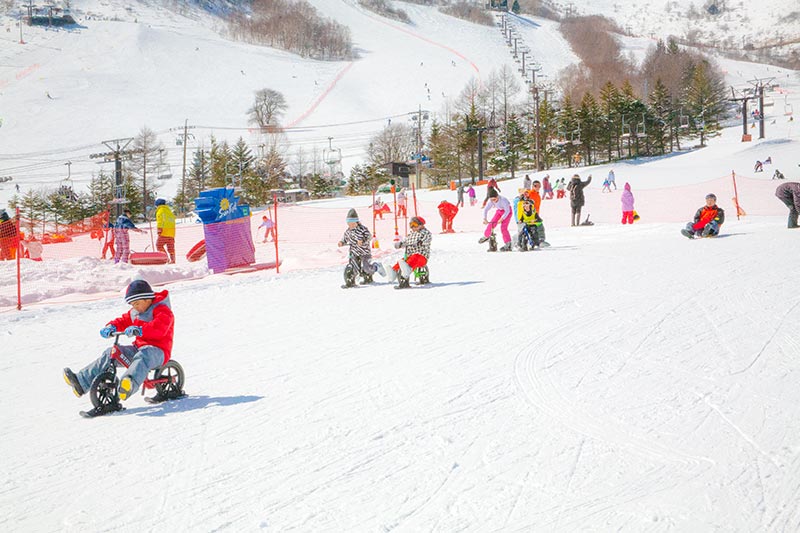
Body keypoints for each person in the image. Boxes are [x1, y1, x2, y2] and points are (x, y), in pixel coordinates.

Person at [62, 279, 174, 402]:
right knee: (111, 353)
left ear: (147, 299)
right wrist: (112, 326)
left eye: (137, 303)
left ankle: (128, 384)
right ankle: (81, 381)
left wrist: (140, 329)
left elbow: (159, 329)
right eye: (132, 305)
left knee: (143, 356)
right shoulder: (136, 312)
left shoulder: (163, 311)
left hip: (158, 351)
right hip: (138, 348)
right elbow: (123, 321)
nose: (134, 307)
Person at [338, 208, 385, 287]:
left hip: (364, 253)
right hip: (354, 253)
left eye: (353, 223)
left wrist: (362, 241)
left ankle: (376, 267)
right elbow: (345, 239)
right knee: (355, 268)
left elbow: (369, 237)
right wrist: (341, 242)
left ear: (357, 222)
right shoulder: (348, 231)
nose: (351, 225)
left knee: (366, 268)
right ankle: (352, 281)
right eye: (349, 224)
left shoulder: (362, 229)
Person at [387, 216, 432, 289]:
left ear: (421, 225)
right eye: (411, 225)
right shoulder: (411, 234)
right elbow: (406, 241)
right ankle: (394, 271)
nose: (412, 227)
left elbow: (427, 239)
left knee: (413, 258)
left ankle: (407, 270)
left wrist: (420, 242)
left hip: (421, 256)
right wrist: (400, 244)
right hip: (410, 255)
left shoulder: (425, 233)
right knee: (402, 261)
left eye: (415, 224)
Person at [155, 198, 176, 263]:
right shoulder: (169, 211)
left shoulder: (160, 211)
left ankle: (165, 258)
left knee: (159, 245)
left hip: (164, 232)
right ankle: (173, 259)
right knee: (170, 247)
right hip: (172, 233)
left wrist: (159, 229)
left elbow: (160, 221)